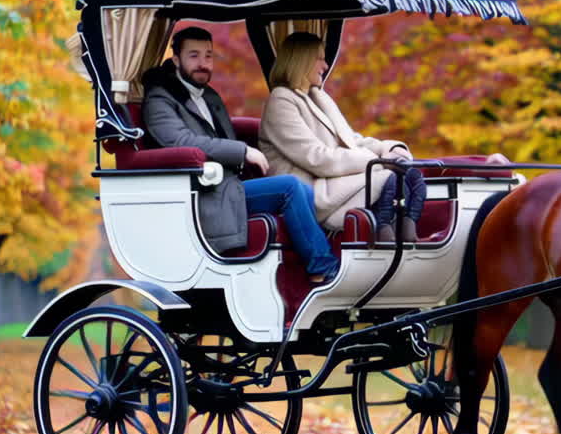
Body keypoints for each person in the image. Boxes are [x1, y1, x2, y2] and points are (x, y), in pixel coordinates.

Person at [141, 26, 341, 285]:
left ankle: (313, 269)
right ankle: (323, 268)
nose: (203, 64)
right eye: (194, 56)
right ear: (176, 59)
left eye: (209, 56)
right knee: (290, 187)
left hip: (228, 187)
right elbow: (180, 141)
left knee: (303, 188)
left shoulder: (209, 96)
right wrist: (243, 151)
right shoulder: (159, 99)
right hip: (201, 194)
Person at [259, 32, 429, 242]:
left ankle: (407, 236)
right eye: (319, 58)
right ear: (301, 61)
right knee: (389, 177)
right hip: (312, 191)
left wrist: (390, 149)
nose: (325, 65)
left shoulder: (318, 96)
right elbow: (317, 158)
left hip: (334, 181)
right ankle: (385, 237)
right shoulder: (281, 100)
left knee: (411, 175)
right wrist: (378, 162)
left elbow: (351, 140)